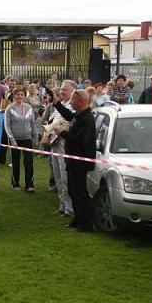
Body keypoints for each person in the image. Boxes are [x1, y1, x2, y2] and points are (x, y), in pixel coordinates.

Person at [52, 88, 96, 232]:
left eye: (73, 100)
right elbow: (69, 115)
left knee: (80, 193)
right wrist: (57, 103)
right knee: (73, 191)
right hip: (73, 161)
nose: (71, 102)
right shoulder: (79, 115)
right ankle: (77, 219)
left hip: (80, 162)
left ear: (81, 101)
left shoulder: (87, 119)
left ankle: (85, 223)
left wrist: (62, 133)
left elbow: (80, 140)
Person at [42, 80, 75, 217]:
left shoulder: (72, 106)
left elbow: (68, 124)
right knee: (57, 175)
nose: (62, 92)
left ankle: (70, 209)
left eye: (65, 90)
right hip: (54, 142)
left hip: (64, 144)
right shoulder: (59, 105)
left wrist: (57, 130)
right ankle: (62, 206)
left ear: (72, 91)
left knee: (65, 176)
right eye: (61, 89)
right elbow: (51, 122)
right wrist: (46, 134)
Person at [4, 87, 39, 192]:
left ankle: (29, 184)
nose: (20, 96)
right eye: (17, 94)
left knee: (29, 162)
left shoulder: (29, 107)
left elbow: (33, 124)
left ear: (24, 95)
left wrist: (36, 138)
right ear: (14, 96)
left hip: (27, 138)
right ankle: (15, 184)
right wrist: (12, 140)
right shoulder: (9, 108)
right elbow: (7, 125)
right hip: (15, 139)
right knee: (15, 162)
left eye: (22, 94)